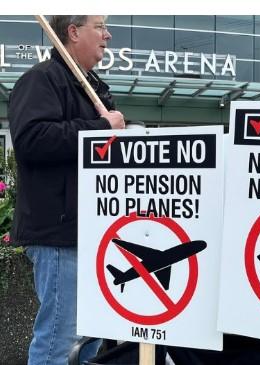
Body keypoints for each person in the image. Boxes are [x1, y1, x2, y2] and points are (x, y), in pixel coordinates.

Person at [8, 15, 125, 365]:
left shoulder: (91, 87)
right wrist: (100, 127)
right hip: (60, 233)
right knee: (60, 339)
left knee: (87, 340)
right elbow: (31, 141)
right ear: (73, 33)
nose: (108, 35)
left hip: (90, 233)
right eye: (99, 26)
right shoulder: (40, 80)